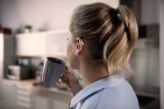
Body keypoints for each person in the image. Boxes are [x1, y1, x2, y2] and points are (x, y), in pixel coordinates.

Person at [60, 2, 139, 109]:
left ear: (78, 45)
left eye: (68, 39)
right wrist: (75, 87)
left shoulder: (95, 105)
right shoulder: (123, 85)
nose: (67, 43)